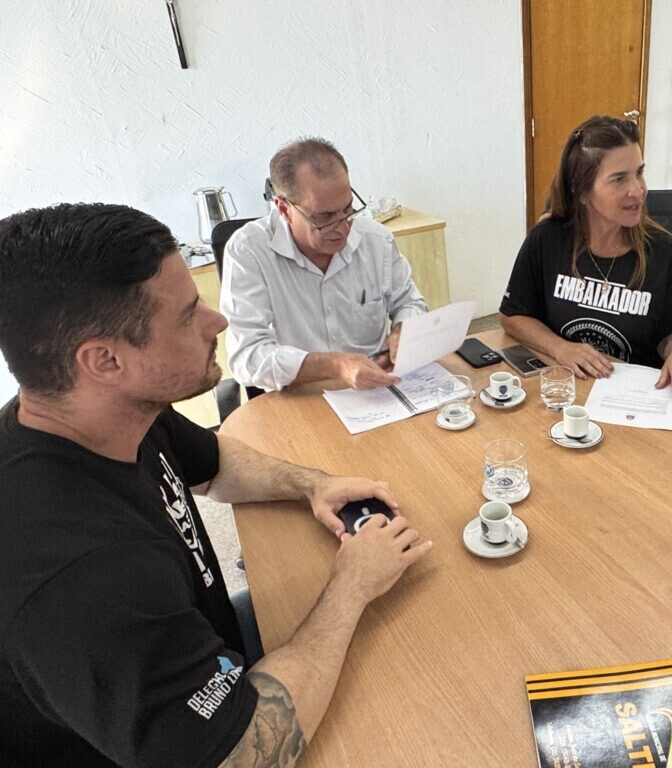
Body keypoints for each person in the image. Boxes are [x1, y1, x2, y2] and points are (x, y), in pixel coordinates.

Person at [0, 203, 432, 767]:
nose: (218, 323)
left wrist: (312, 484)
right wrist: (350, 587)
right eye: (188, 315)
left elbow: (214, 462)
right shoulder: (83, 576)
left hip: (202, 647)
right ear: (104, 360)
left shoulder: (104, 414)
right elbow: (242, 753)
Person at [499, 115, 672, 402]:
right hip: (564, 390)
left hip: (632, 399)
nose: (638, 190)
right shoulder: (547, 240)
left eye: (639, 173)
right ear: (581, 191)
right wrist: (559, 347)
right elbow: (513, 315)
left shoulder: (667, 254)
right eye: (619, 179)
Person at [221, 136, 427, 392]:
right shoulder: (249, 251)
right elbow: (247, 357)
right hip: (300, 395)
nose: (343, 228)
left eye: (348, 209)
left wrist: (403, 330)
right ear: (284, 209)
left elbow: (409, 302)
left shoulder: (376, 240)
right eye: (325, 217)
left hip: (376, 388)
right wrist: (336, 366)